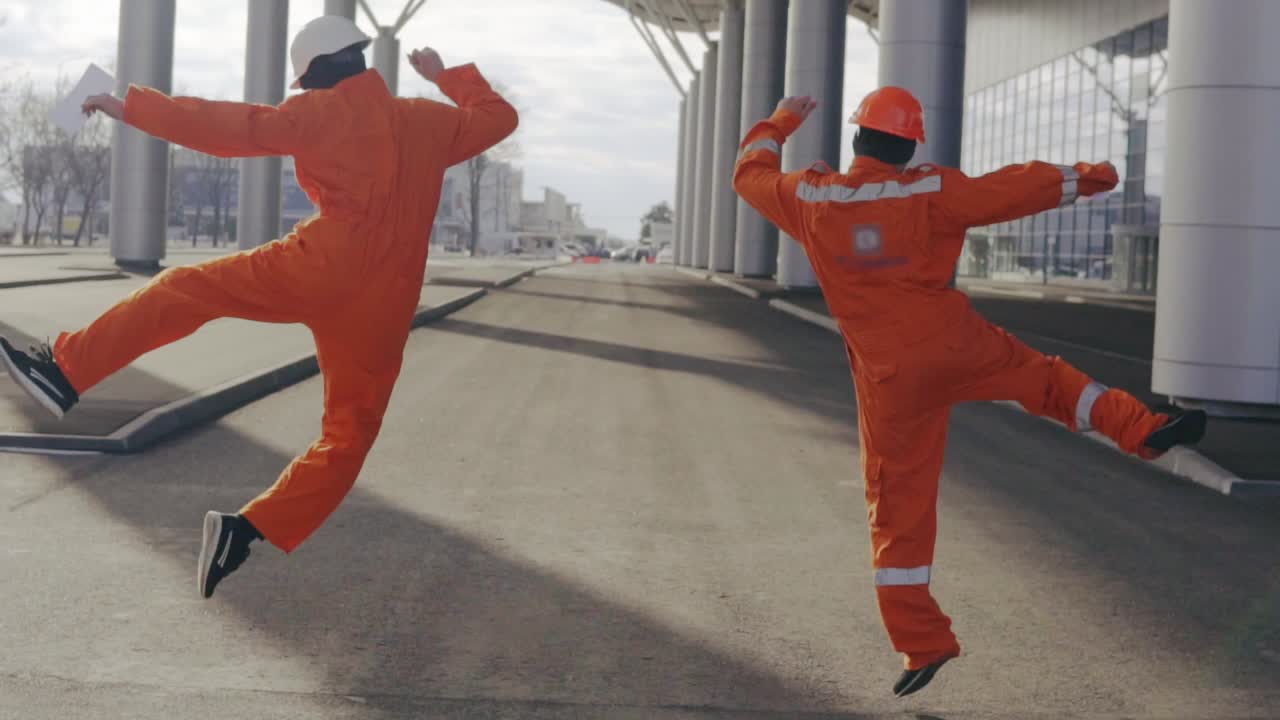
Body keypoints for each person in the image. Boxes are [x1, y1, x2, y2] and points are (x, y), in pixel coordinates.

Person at [0, 16, 517, 599]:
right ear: (359, 59)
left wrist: (128, 107)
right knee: (348, 437)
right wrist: (444, 76)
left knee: (187, 290)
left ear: (313, 74)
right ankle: (247, 530)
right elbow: (500, 118)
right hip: (386, 302)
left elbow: (225, 127)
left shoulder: (315, 113)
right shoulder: (429, 122)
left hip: (318, 268)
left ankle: (65, 371)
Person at [732, 87, 1207, 698]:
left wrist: (782, 120)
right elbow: (1008, 189)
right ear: (908, 147)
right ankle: (1139, 428)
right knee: (1048, 379)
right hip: (955, 342)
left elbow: (750, 173)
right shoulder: (929, 189)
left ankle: (921, 643)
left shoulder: (812, 198)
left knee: (897, 505)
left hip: (890, 378)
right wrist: (1086, 178)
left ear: (856, 138)